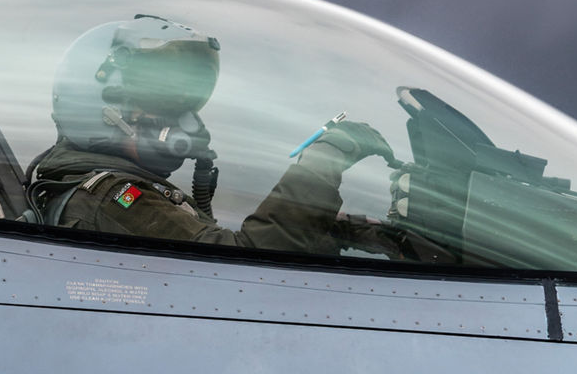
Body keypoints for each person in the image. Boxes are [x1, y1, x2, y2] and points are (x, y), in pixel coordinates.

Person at [28, 14, 406, 258]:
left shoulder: (106, 190)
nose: (185, 124)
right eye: (161, 108)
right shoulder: (116, 199)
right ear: (101, 112)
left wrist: (344, 230)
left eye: (183, 107)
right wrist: (324, 161)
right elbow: (243, 265)